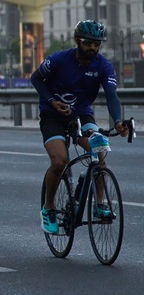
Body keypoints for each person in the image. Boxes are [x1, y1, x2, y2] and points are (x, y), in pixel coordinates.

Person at [32, 20, 128, 234]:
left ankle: (100, 204)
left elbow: (112, 96)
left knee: (99, 149)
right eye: (88, 43)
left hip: (82, 114)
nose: (92, 48)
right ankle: (48, 208)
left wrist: (118, 121)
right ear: (78, 41)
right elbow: (36, 79)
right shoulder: (58, 59)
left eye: (97, 44)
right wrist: (50, 101)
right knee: (60, 162)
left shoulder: (103, 66)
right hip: (53, 115)